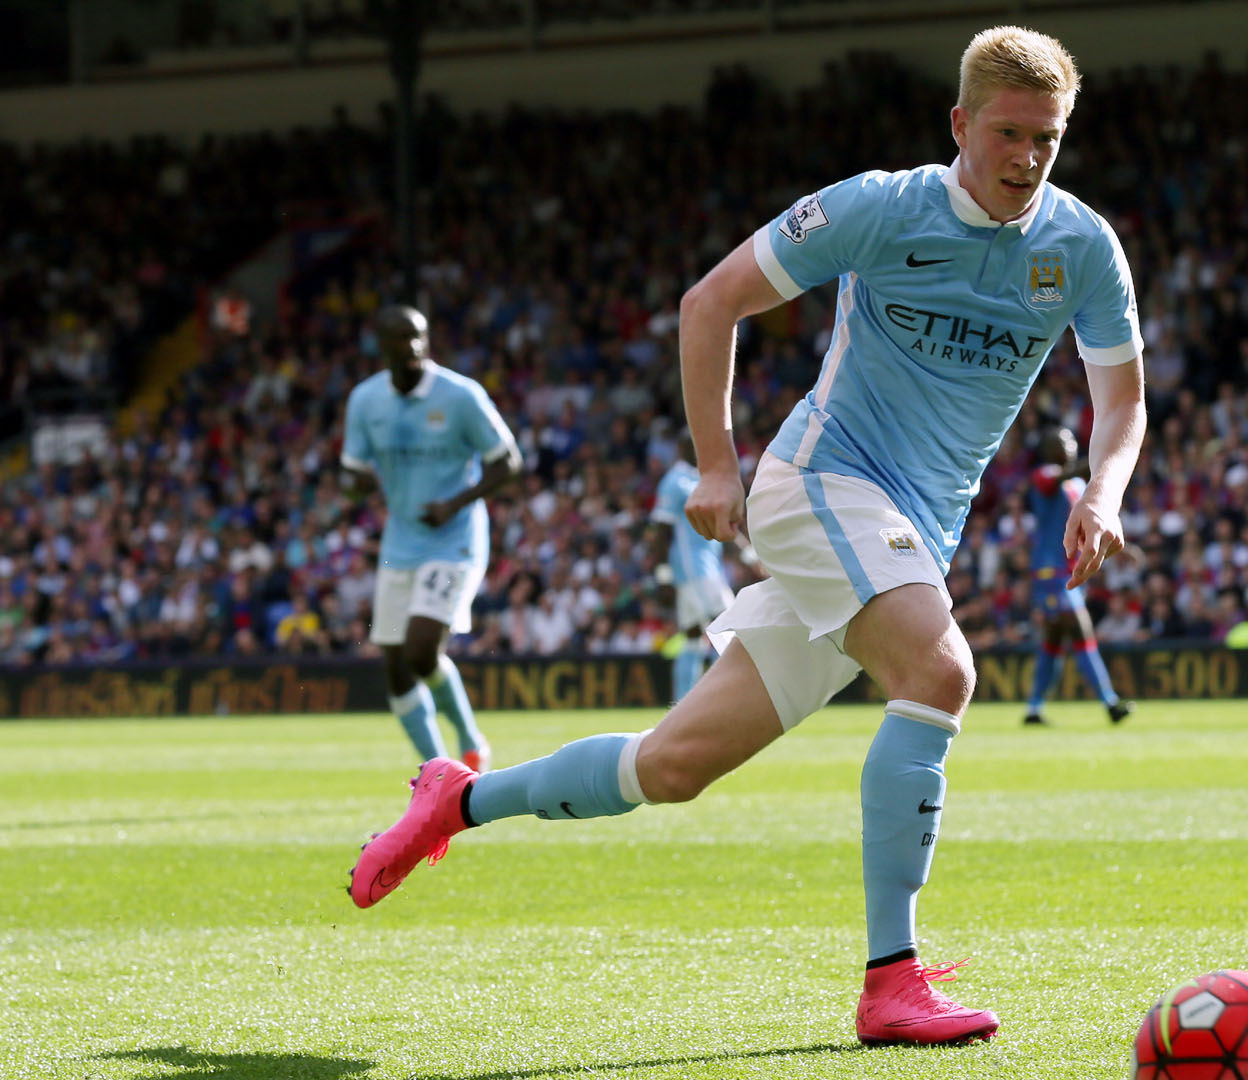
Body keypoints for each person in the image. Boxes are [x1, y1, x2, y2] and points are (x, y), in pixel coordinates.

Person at [349, 27, 1144, 1048]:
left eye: (1050, 137)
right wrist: (717, 463)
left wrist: (1106, 494)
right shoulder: (877, 208)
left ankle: (456, 802)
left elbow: (1120, 401)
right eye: (1009, 132)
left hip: (913, 528)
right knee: (941, 673)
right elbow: (710, 302)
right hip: (823, 481)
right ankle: (892, 979)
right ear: (961, 124)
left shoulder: (1081, 247)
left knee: (671, 766)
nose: (1029, 158)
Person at [341, 305, 521, 770]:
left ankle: (469, 738)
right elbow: (352, 469)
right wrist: (355, 484)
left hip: (455, 539)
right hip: (400, 542)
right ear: (381, 346)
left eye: (419, 336)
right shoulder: (365, 401)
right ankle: (436, 775)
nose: (414, 347)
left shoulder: (460, 395)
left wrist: (453, 504)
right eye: (402, 338)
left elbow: (507, 461)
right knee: (397, 669)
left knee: (422, 651)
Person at [1023, 425, 1132, 726]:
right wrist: (1107, 458)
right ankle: (1110, 703)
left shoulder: (1073, 484)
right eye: (1063, 440)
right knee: (1082, 633)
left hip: (1066, 570)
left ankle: (1033, 708)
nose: (1070, 444)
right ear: (1048, 448)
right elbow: (1059, 476)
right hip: (1050, 573)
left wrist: (1125, 546)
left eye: (1072, 439)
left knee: (1054, 643)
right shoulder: (1044, 474)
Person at [652, 432, 735, 701]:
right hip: (694, 570)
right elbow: (661, 532)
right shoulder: (675, 481)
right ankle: (735, 695)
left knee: (691, 637)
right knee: (730, 625)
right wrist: (663, 576)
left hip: (709, 566)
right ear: (684, 447)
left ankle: (683, 702)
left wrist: (749, 557)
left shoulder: (706, 478)